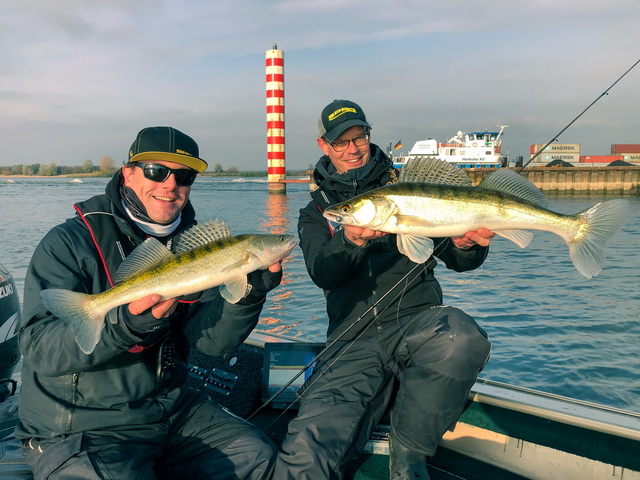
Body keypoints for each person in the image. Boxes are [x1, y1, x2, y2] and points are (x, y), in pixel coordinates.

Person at [17, 126, 283, 480]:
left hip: (170, 410)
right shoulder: (68, 243)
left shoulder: (189, 244)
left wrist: (248, 296)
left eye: (184, 175)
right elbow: (39, 350)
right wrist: (124, 325)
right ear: (127, 173)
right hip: (83, 424)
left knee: (259, 457)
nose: (171, 184)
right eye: (157, 171)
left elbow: (211, 343)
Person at [273, 100, 494, 480]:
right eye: (340, 142)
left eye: (359, 137)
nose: (353, 148)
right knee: (308, 452)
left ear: (368, 136)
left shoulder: (407, 190)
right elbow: (322, 272)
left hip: (418, 325)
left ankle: (408, 458)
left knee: (460, 337)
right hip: (350, 341)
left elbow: (458, 261)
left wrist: (467, 245)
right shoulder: (316, 212)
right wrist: (351, 241)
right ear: (323, 145)